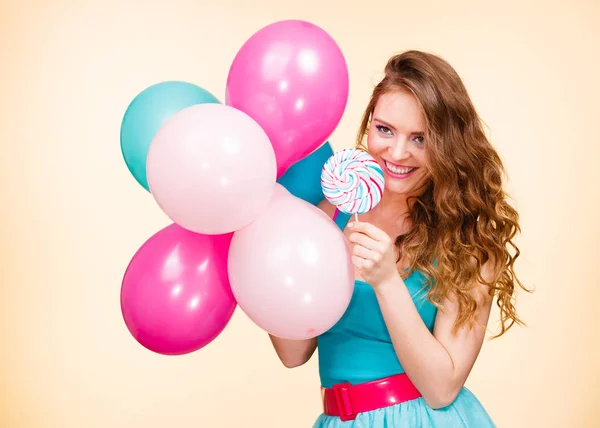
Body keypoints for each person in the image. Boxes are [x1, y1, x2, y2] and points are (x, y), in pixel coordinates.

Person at [269, 50, 529, 427]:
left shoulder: (466, 238)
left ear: (448, 145)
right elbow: (293, 353)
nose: (397, 152)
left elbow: (441, 388)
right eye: (385, 130)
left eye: (420, 138)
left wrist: (387, 280)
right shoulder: (332, 211)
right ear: (369, 124)